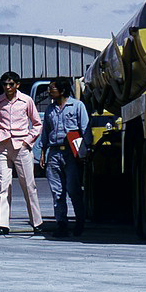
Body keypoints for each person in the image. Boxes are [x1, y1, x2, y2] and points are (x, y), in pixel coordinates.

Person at [0, 71, 44, 235]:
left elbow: (37, 124)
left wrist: (27, 141)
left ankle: (37, 223)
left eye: (11, 84)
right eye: (4, 84)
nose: (7, 87)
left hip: (21, 146)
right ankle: (3, 225)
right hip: (3, 146)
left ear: (17, 85)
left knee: (29, 185)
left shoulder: (26, 101)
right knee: (3, 186)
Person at [40, 76, 91, 237]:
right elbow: (45, 132)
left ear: (62, 90)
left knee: (73, 189)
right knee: (57, 191)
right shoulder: (50, 109)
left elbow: (85, 129)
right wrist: (43, 153)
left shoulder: (77, 106)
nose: (49, 91)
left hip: (71, 153)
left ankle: (80, 222)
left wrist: (85, 152)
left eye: (52, 88)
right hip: (54, 152)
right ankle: (61, 224)